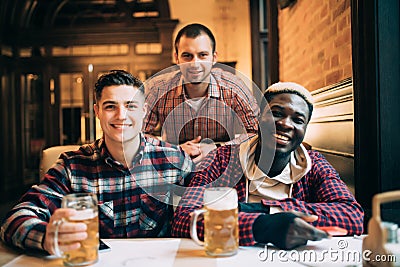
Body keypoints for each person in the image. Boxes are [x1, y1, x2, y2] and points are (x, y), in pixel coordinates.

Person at [0, 70, 194, 254]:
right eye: (110, 106)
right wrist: (46, 237)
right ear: (97, 111)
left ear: (143, 111)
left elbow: (203, 210)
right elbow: (14, 219)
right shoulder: (72, 166)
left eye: (130, 105)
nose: (121, 115)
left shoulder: (173, 159)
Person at [172, 82, 364, 249]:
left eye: (298, 120)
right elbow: (184, 219)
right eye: (276, 113)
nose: (286, 124)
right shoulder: (221, 160)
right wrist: (263, 225)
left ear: (305, 130)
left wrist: (260, 210)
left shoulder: (314, 165)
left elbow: (353, 216)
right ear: (258, 117)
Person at [143, 23, 260, 163]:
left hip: (221, 163)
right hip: (173, 163)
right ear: (176, 58)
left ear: (214, 57)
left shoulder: (234, 87)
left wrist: (216, 148)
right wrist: (171, 149)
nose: (195, 64)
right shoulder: (157, 88)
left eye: (202, 55)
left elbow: (256, 131)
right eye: (187, 56)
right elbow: (136, 133)